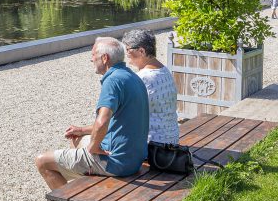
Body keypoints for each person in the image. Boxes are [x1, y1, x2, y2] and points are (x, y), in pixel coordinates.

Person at [34, 37, 149, 190]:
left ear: (105, 58)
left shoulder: (112, 81)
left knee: (42, 161)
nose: (91, 60)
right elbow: (117, 122)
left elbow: (102, 122)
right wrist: (81, 130)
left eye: (93, 55)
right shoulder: (131, 76)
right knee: (77, 138)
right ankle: (82, 188)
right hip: (134, 159)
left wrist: (93, 148)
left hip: (117, 163)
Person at [121, 27, 179, 145]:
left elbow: (124, 115)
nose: (126, 54)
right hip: (171, 140)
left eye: (128, 49)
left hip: (153, 145)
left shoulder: (143, 78)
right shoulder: (164, 71)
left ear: (141, 51)